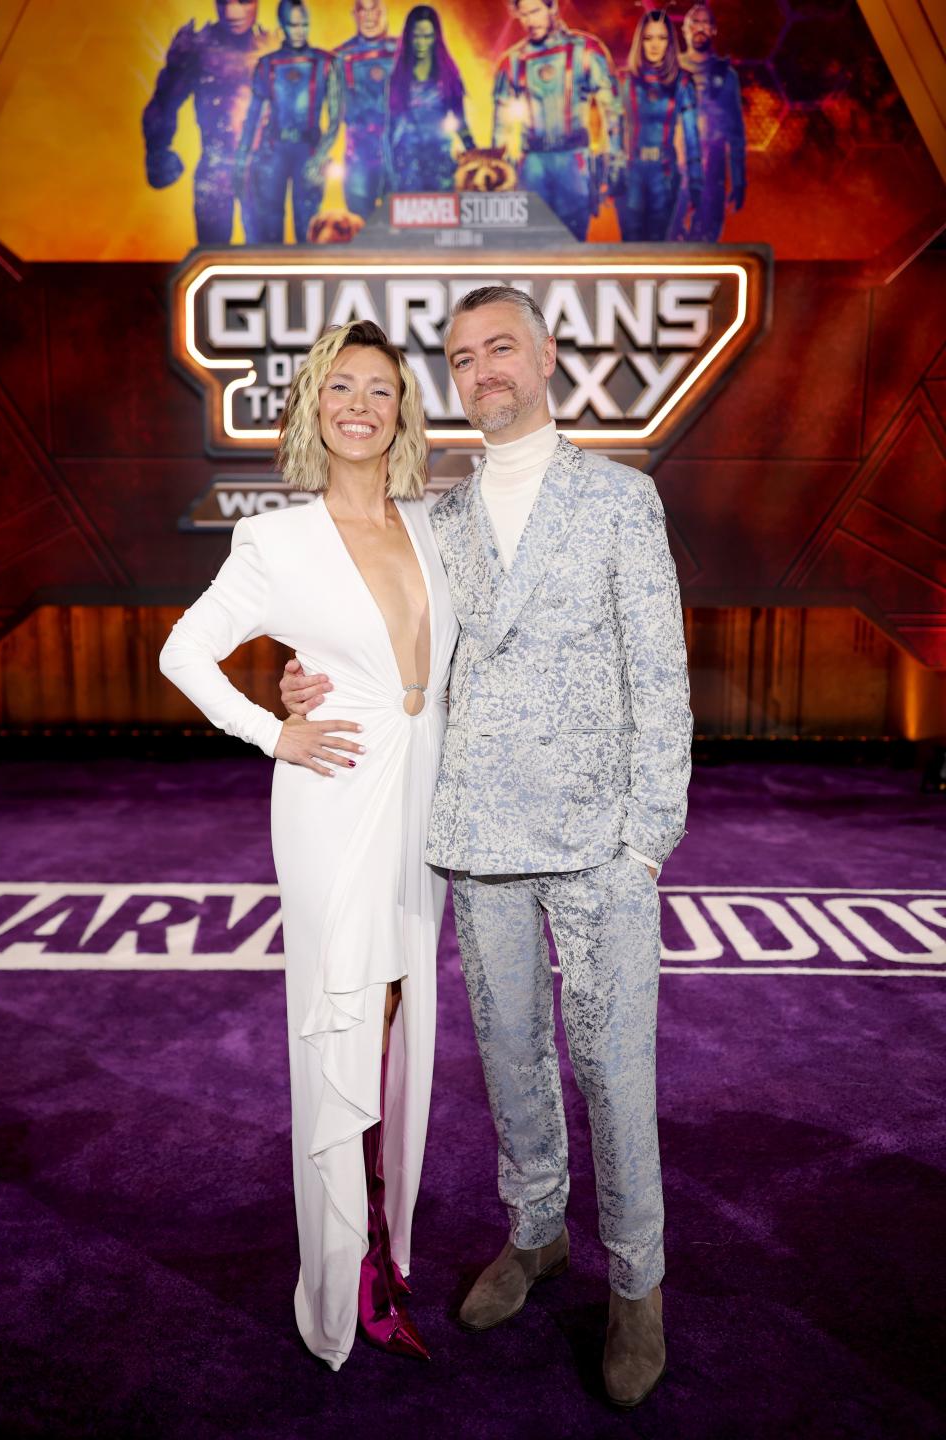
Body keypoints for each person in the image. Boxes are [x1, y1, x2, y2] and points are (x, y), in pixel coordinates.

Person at [282, 285, 692, 1407]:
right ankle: (537, 1231)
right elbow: (389, 645)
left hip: (601, 841)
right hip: (477, 837)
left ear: (548, 353)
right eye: (463, 358)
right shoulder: (439, 519)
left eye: (501, 347)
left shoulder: (620, 502)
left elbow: (660, 676)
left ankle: (639, 1283)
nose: (484, 371)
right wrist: (297, 676)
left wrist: (647, 840)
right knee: (511, 1060)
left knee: (613, 1069)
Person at [159, 321, 459, 1370]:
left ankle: (387, 1245)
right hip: (332, 799)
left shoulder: (436, 526)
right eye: (342, 387)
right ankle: (349, 1284)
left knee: (401, 1021)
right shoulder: (277, 541)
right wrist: (273, 725)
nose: (362, 405)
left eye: (382, 389)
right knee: (346, 1027)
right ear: (312, 408)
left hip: (424, 804)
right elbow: (182, 651)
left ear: (404, 410)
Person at [143, 0, 273, 244]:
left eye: (243, 1)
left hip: (261, 173)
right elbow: (163, 102)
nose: (232, 12)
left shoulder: (273, 49)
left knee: (267, 260)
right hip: (215, 171)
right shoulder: (197, 50)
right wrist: (158, 152)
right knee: (213, 256)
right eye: (224, 1)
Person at [491, 0, 620, 243]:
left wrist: (615, 159)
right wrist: (499, 176)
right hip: (533, 165)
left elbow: (612, 108)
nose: (530, 21)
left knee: (572, 245)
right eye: (524, 14)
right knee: (532, 246)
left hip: (573, 161)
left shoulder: (586, 51)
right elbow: (500, 128)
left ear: (553, 8)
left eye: (536, 11)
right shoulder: (512, 62)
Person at [235, 1, 343, 244]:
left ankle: (308, 278)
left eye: (305, 25)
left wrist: (319, 157)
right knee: (270, 226)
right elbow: (252, 117)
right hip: (274, 151)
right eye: (294, 25)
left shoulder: (326, 63)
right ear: (283, 25)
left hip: (309, 150)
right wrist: (242, 160)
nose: (300, 31)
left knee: (308, 225)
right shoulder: (267, 65)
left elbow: (336, 118)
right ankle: (274, 278)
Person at [614, 8, 703, 242]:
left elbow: (692, 135)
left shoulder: (682, 81)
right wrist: (613, 170)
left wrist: (696, 182)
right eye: (648, 38)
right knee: (630, 245)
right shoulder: (626, 80)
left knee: (656, 245)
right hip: (631, 173)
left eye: (662, 38)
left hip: (664, 174)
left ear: (670, 43)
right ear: (640, 41)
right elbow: (614, 127)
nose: (655, 45)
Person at [671, 3, 746, 241]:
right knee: (667, 238)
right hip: (675, 167)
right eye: (694, 22)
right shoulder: (670, 70)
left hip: (712, 170)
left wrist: (739, 178)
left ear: (714, 30)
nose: (699, 28)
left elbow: (735, 132)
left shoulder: (726, 75)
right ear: (684, 29)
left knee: (707, 241)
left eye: (705, 23)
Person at [387, 6, 474, 193]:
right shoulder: (397, 77)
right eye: (416, 36)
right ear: (408, 36)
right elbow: (390, 126)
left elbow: (460, 120)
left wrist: (473, 152)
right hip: (407, 161)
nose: (421, 43)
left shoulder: (448, 75)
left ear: (436, 37)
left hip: (440, 159)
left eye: (427, 36)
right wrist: (387, 170)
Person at [335, 0, 398, 218]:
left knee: (401, 226)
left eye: (375, 10)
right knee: (360, 223)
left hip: (400, 153)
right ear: (354, 14)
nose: (369, 17)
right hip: (360, 157)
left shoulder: (405, 51)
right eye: (364, 10)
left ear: (386, 11)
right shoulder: (340, 57)